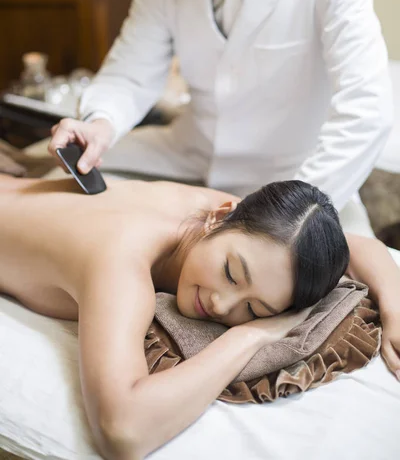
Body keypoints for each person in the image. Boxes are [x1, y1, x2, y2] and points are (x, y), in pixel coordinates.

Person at [48, 0, 392, 210]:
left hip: (297, 174)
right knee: (60, 185)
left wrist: (290, 211)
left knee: (339, 259)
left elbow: (367, 107)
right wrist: (99, 123)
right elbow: (130, 74)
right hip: (192, 155)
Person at [0, 175, 400, 459]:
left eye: (254, 309)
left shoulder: (240, 227)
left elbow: (359, 246)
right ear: (219, 216)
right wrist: (250, 336)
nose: (223, 305)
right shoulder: (121, 257)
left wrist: (395, 309)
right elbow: (122, 431)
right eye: (230, 273)